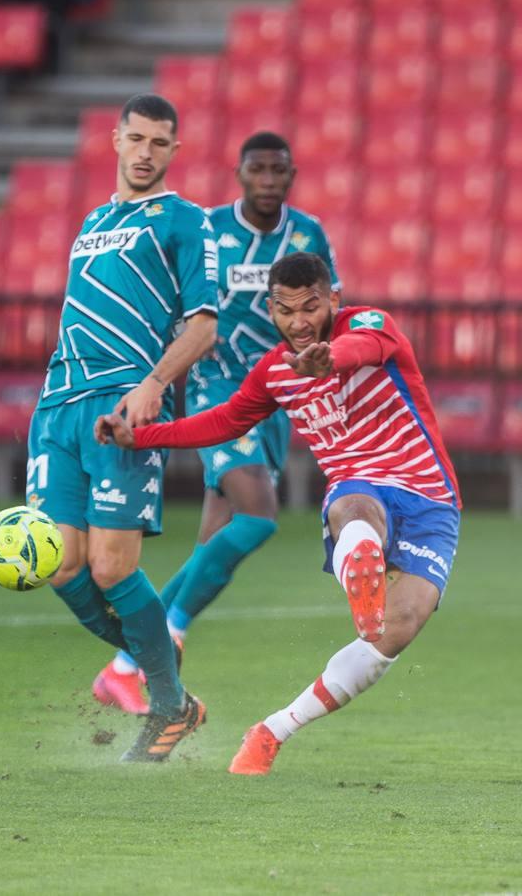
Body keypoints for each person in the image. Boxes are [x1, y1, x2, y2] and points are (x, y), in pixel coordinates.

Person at [96, 252, 461, 775]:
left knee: (395, 633)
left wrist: (330, 358)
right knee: (356, 502)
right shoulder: (273, 373)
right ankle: (362, 563)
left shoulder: (371, 325)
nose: (300, 321)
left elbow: (363, 346)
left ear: (333, 299)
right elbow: (221, 422)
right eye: (286, 311)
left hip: (431, 499)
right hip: (357, 491)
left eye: (312, 307)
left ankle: (272, 731)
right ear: (270, 309)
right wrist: (142, 437)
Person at [92, 131, 343, 715]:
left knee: (213, 547)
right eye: (257, 169)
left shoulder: (308, 236)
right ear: (240, 173)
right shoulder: (209, 230)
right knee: (258, 517)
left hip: (277, 391)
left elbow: (329, 305)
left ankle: (125, 665)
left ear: (291, 174)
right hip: (217, 385)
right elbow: (179, 303)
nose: (268, 180)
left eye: (278, 170)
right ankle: (168, 636)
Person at [27, 93, 218, 762]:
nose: (144, 153)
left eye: (158, 143)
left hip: (122, 407)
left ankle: (164, 702)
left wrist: (153, 386)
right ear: (113, 140)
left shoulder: (184, 222)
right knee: (62, 568)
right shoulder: (91, 221)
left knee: (113, 568)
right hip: (57, 407)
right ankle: (165, 685)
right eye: (134, 139)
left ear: (173, 150)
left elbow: (203, 323)